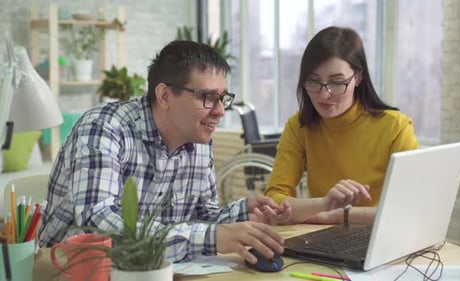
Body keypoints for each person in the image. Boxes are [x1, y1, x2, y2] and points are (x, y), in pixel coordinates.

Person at [37, 40, 367, 264]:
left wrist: (245, 213)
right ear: (164, 95)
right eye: (207, 98)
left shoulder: (197, 141)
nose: (220, 111)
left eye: (223, 98)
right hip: (65, 270)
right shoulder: (104, 128)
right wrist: (213, 238)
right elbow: (101, 226)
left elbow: (203, 216)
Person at [264, 26, 419, 225]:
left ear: (358, 78)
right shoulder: (299, 126)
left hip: (378, 237)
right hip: (320, 235)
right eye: (313, 82)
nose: (324, 94)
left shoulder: (395, 127)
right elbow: (275, 199)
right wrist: (324, 203)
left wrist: (339, 215)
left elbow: (410, 208)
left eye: (337, 83)